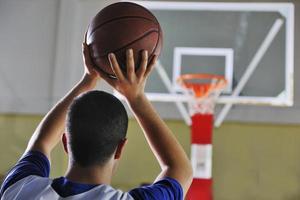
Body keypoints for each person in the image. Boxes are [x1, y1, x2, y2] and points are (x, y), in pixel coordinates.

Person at [0, 35, 193, 199]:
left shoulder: (20, 189)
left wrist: (87, 80)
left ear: (66, 142)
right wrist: (136, 97)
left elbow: (40, 142)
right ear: (120, 148)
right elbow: (181, 170)